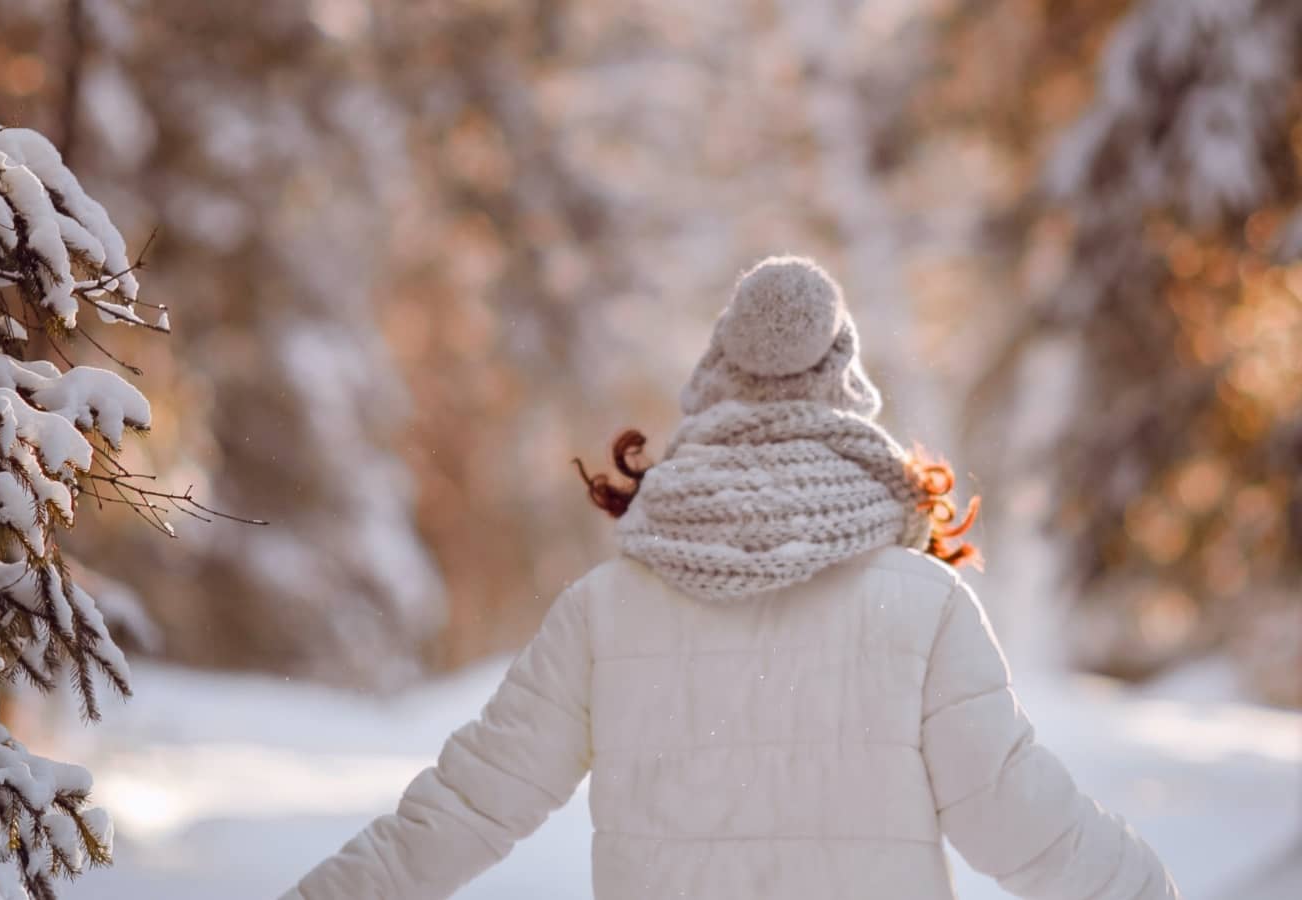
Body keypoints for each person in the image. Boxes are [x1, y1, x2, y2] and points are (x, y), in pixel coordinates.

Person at [280, 256, 1180, 900]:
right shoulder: (923, 606)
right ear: (844, 394)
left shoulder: (607, 611)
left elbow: (465, 810)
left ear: (716, 382)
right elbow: (1020, 822)